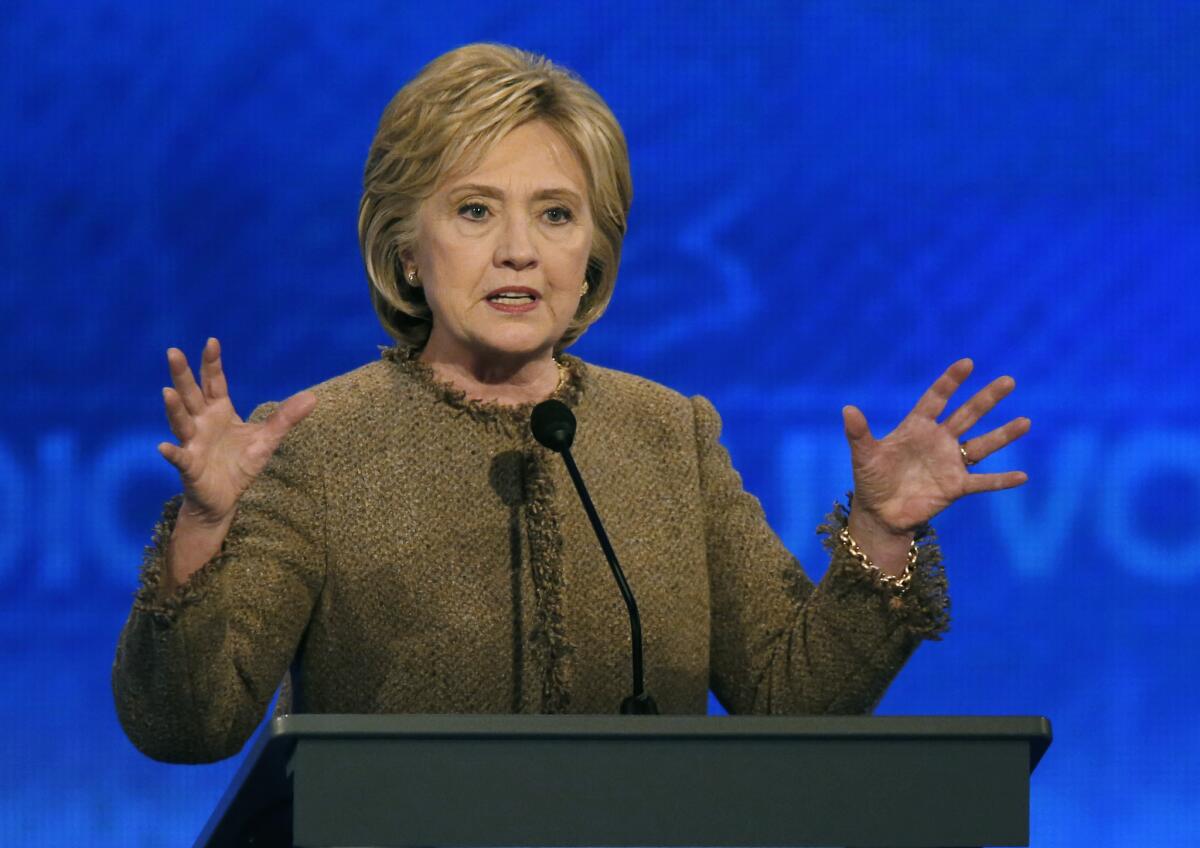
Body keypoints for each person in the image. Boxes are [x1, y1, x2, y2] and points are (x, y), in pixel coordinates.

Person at [112, 43, 1029, 763]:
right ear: (404, 252)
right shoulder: (321, 440)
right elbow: (186, 729)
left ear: (593, 251)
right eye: (475, 211)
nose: (520, 249)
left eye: (556, 214)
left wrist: (879, 534)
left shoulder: (669, 433)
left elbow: (793, 698)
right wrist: (203, 530)